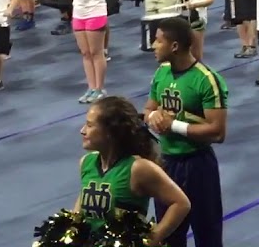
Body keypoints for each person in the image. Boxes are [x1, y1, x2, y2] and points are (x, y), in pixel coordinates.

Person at [144, 17, 229, 247]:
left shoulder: (206, 80)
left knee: (207, 234)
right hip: (166, 163)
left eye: (158, 41)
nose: (153, 45)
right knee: (168, 235)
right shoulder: (161, 73)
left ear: (174, 46)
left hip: (198, 166)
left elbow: (218, 132)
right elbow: (148, 109)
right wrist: (154, 117)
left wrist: (173, 126)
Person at [78, 95, 191, 240]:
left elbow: (181, 203)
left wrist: (151, 240)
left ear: (110, 132)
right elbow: (80, 211)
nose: (82, 130)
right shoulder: (87, 162)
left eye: (90, 125)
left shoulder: (138, 168)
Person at [71, 0, 112, 103]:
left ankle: (100, 88)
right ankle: (91, 87)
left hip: (95, 11)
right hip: (78, 11)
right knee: (86, 53)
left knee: (96, 53)